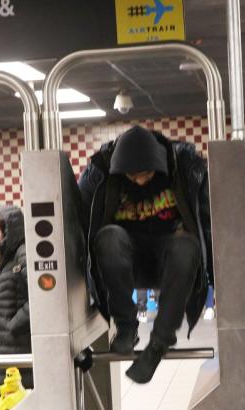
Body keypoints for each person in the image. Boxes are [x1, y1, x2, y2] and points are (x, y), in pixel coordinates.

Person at [78, 125, 213, 384]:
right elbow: (79, 221)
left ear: (160, 165)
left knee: (187, 245)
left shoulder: (184, 166)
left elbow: (209, 220)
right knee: (108, 237)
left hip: (170, 259)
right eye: (132, 176)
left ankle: (160, 343)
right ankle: (126, 326)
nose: (140, 181)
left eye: (147, 174)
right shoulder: (101, 171)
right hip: (126, 261)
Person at [0, 205, 33, 393]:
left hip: (19, 347)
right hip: (7, 347)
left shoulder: (23, 253)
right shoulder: (6, 258)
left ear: (12, 227)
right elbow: (4, 297)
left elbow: (38, 297)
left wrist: (13, 324)